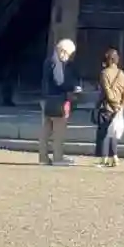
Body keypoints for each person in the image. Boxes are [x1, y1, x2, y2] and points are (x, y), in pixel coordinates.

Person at [39, 38, 79, 166]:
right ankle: (57, 158)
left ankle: (43, 157)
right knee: (58, 131)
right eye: (69, 54)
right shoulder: (57, 63)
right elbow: (60, 82)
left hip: (46, 99)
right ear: (63, 51)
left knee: (46, 130)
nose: (69, 57)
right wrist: (73, 88)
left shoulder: (48, 61)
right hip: (57, 100)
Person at [94, 47, 124, 167]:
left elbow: (107, 92)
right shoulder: (122, 74)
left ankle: (103, 158)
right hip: (118, 108)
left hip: (107, 107)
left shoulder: (104, 73)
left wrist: (113, 105)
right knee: (113, 132)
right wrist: (121, 106)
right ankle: (114, 156)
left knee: (103, 133)